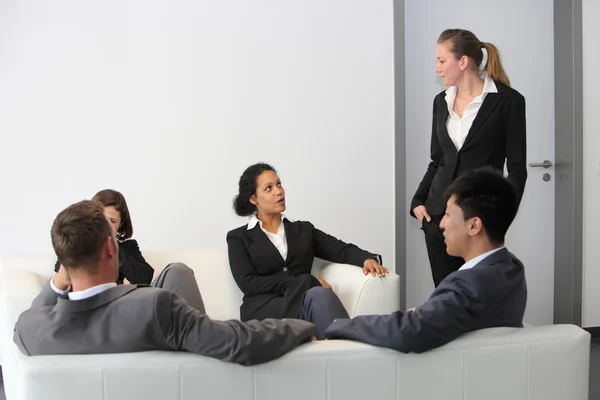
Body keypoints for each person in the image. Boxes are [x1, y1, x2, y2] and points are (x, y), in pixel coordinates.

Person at [15, 200, 315, 365]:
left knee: (176, 270)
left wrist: (60, 278)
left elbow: (34, 314)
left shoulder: (29, 331)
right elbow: (238, 342)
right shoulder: (155, 307)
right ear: (110, 248)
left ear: (64, 260)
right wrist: (304, 328)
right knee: (179, 273)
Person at [323, 168, 527, 353]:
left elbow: (409, 331)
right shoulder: (512, 268)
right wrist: (427, 310)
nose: (442, 225)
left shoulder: (470, 284)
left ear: (474, 226)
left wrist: (338, 325)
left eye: (447, 214)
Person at [411, 29, 527, 287]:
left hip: (479, 220)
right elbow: (437, 159)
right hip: (438, 219)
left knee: (480, 295)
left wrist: (500, 218)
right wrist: (418, 201)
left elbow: (517, 170)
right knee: (447, 294)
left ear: (462, 61)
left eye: (441, 61)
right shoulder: (441, 102)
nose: (436, 69)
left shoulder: (509, 102)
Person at [227, 163, 388, 340]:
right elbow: (249, 283)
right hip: (263, 308)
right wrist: (306, 282)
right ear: (253, 199)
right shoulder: (239, 237)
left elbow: (339, 249)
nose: (279, 192)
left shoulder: (303, 230)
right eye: (269, 188)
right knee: (317, 293)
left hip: (306, 302)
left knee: (318, 294)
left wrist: (366, 259)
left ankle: (326, 344)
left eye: (279, 184)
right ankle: (351, 347)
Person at [54, 189, 153, 284]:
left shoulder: (128, 247)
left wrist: (113, 246)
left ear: (120, 224)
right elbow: (62, 274)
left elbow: (145, 277)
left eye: (112, 221)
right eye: (101, 218)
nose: (105, 225)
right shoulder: (76, 243)